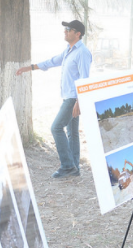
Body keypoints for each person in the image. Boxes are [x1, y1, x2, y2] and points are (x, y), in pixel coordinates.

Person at [16, 20, 92, 178]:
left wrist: (79, 101)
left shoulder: (82, 52)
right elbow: (51, 62)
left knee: (56, 128)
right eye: (65, 29)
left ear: (77, 34)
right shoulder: (68, 51)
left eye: (68, 29)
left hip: (73, 98)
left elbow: (85, 78)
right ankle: (74, 167)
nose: (65, 31)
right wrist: (30, 68)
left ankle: (67, 165)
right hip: (68, 96)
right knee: (72, 133)